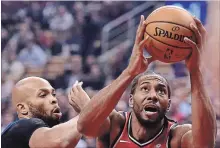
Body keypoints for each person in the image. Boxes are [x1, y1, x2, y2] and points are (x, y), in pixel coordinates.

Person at [73, 15, 216, 148]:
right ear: (131, 100)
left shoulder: (176, 137)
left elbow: (205, 144)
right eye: (145, 88)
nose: (153, 95)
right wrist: (130, 72)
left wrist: (195, 72)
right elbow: (85, 127)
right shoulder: (116, 126)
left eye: (161, 91)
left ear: (169, 105)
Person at [1, 77, 89, 148]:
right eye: (43, 95)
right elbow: (60, 142)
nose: (54, 99)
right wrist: (87, 109)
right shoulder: (21, 126)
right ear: (23, 108)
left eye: (53, 94)